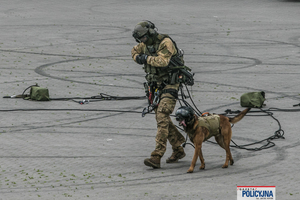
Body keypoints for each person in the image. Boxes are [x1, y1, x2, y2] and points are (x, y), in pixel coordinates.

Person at [131, 21, 187, 168]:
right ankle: (178, 149)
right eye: (140, 40)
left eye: (143, 38)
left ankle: (157, 155)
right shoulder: (146, 44)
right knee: (163, 119)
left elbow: (162, 61)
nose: (142, 42)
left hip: (170, 84)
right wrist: (138, 58)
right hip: (155, 87)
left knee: (162, 115)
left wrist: (145, 58)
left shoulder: (165, 42)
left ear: (150, 33)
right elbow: (134, 51)